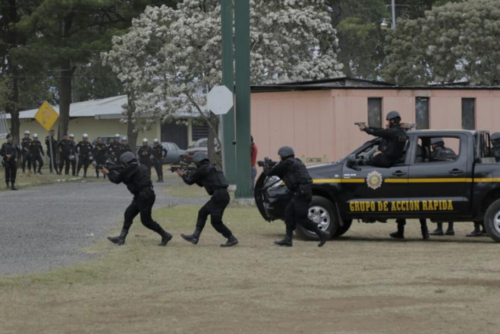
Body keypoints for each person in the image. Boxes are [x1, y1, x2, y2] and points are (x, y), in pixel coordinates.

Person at [103, 152, 172, 246]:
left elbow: (117, 179)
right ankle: (121, 238)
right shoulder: (141, 166)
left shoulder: (129, 169)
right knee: (128, 214)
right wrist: (113, 168)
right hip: (144, 195)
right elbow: (124, 170)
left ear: (126, 163)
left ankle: (165, 235)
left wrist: (108, 172)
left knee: (146, 221)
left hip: (144, 197)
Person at [265, 146, 329, 247]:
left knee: (301, 218)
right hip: (301, 192)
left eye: (280, 156)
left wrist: (266, 166)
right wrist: (271, 164)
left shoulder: (287, 163)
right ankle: (288, 239)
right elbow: (279, 167)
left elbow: (270, 172)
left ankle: (322, 234)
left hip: (302, 193)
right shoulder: (295, 162)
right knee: (288, 214)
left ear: (283, 155)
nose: (280, 158)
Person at [176, 152, 239, 247]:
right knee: (202, 212)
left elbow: (189, 181)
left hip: (219, 196)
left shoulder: (202, 169)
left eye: (195, 163)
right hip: (222, 195)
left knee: (216, 222)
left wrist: (183, 175)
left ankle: (231, 238)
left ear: (198, 162)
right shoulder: (212, 167)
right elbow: (202, 183)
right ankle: (195, 236)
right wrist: (192, 174)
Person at [429, 137, 457, 236]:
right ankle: (450, 229)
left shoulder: (435, 152)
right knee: (450, 205)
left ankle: (439, 228)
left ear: (435, 145)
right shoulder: (450, 151)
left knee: (439, 205)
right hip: (452, 182)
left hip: (439, 182)